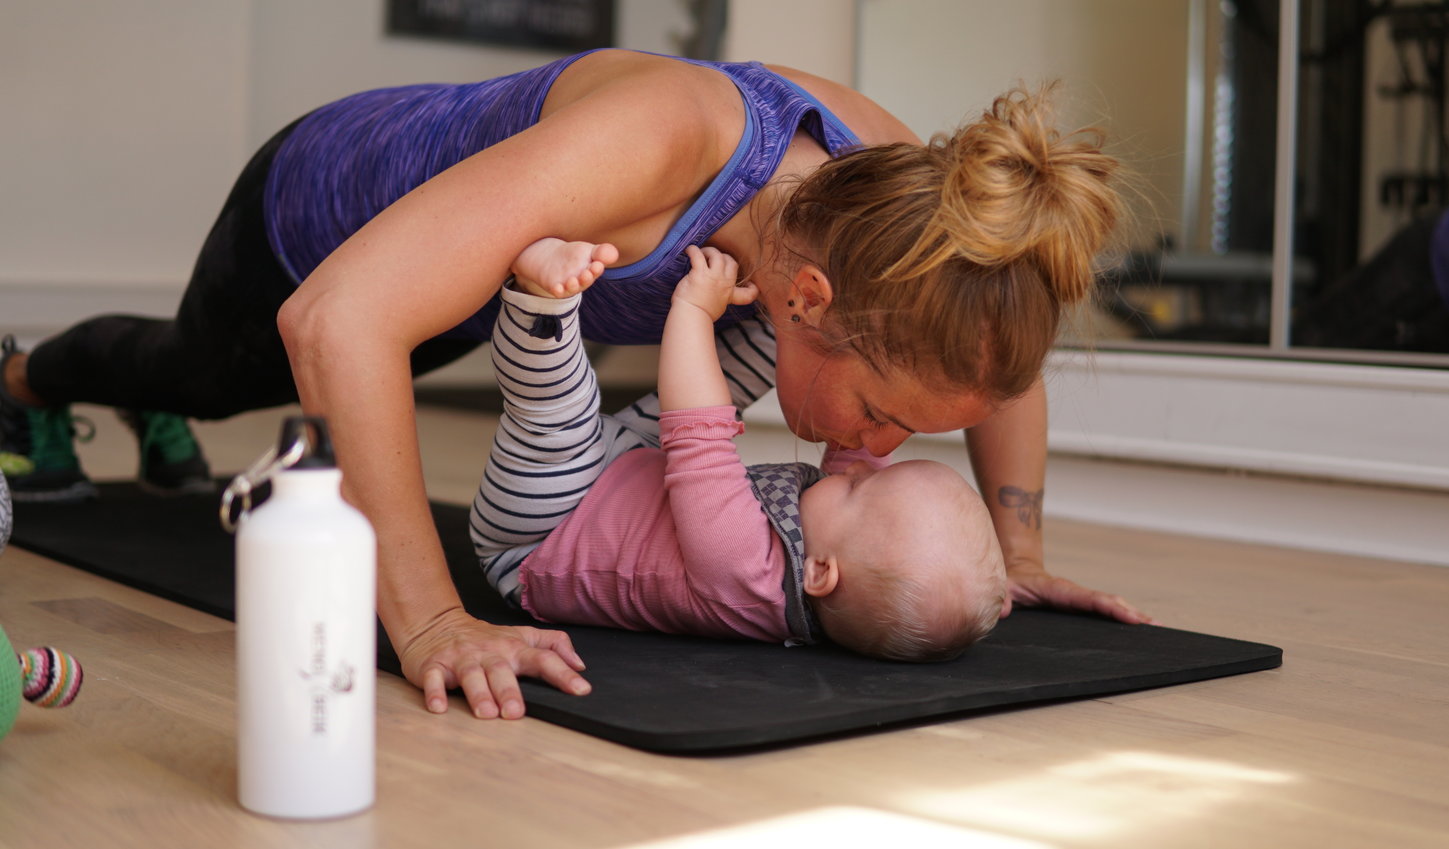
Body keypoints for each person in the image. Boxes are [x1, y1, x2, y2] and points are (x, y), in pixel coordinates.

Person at [0, 48, 1150, 720]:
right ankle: (24, 375)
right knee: (205, 380)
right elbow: (341, 317)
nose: (882, 448)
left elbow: (998, 374)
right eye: (884, 416)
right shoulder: (668, 145)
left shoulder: (915, 212)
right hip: (321, 213)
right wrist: (434, 621)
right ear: (805, 303)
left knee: (403, 335)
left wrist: (1019, 549)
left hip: (476, 273)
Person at [475, 238, 1005, 660]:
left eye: (856, 487)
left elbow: (698, 433)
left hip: (546, 527)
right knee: (773, 350)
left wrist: (695, 310)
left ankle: (539, 300)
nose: (862, 465)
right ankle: (776, 307)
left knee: (556, 410)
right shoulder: (835, 551)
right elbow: (855, 452)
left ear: (820, 572)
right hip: (631, 477)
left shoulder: (743, 573)